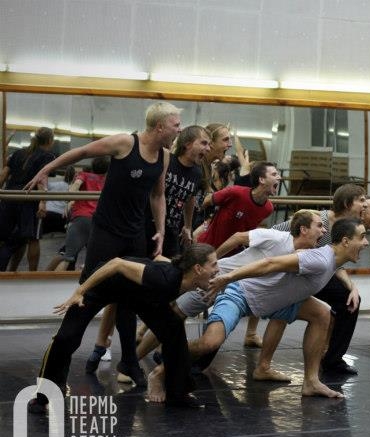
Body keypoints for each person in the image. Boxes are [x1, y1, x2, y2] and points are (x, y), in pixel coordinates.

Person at [26, 102, 182, 388]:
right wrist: (47, 168)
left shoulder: (165, 156)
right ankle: (50, 383)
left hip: (135, 237)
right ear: (160, 127)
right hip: (106, 234)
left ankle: (130, 362)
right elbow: (83, 152)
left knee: (129, 300)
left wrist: (160, 230)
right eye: (176, 125)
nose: (179, 130)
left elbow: (157, 195)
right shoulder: (125, 143)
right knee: (85, 303)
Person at [149, 218, 369, 401]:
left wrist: (352, 287)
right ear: (345, 241)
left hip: (273, 302)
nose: (367, 242)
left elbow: (333, 270)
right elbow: (269, 263)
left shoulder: (330, 260)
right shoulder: (319, 259)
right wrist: (228, 277)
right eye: (362, 237)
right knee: (210, 343)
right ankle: (160, 372)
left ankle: (311, 381)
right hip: (240, 293)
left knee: (322, 314)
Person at [137, 209, 326, 385]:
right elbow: (238, 237)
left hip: (235, 291)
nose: (324, 231)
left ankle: (165, 355)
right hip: (212, 281)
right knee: (174, 315)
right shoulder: (276, 238)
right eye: (319, 226)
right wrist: (213, 262)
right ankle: (134, 359)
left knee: (204, 337)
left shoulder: (303, 255)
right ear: (303, 229)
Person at [28, 243, 219, 413]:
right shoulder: (164, 279)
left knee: (173, 329)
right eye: (214, 265)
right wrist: (80, 291)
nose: (217, 270)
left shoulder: (182, 277)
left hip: (136, 294)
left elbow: (159, 259)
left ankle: (177, 394)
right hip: (104, 285)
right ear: (198, 269)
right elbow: (116, 264)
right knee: (66, 338)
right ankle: (43, 396)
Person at [266, 184, 367, 372]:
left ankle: (333, 360)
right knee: (284, 308)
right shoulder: (318, 220)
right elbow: (273, 233)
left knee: (349, 299)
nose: (365, 205)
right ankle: (264, 364)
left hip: (316, 275)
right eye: (361, 200)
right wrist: (290, 255)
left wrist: (352, 287)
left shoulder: (346, 228)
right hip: (293, 272)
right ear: (347, 203)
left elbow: (335, 263)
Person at [0, 126, 57, 271]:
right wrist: (43, 202)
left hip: (9, 198)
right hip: (29, 199)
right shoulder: (48, 156)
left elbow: (3, 175)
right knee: (33, 238)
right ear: (50, 140)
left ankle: (12, 271)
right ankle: (32, 274)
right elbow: (41, 179)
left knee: (16, 238)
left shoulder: (18, 153)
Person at [196, 161, 281, 251]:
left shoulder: (268, 209)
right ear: (262, 180)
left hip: (232, 254)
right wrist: (199, 223)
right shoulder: (236, 192)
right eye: (274, 174)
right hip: (207, 247)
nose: (279, 177)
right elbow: (207, 201)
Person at [151, 125, 210, 257]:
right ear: (187, 144)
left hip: (172, 230)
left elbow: (190, 198)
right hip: (150, 226)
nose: (208, 148)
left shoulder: (197, 173)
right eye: (204, 143)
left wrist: (187, 226)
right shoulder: (167, 161)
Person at [54, 157, 109, 271]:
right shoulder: (108, 180)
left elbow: (76, 185)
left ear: (92, 167)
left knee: (67, 257)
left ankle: (51, 282)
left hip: (82, 219)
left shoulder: (84, 175)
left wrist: (69, 198)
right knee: (98, 260)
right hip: (99, 221)